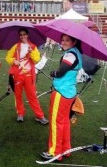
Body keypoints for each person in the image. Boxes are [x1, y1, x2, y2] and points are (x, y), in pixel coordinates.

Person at [40, 34, 82, 162]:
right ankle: (65, 149)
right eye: (62, 40)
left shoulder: (70, 54)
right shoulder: (75, 52)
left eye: (67, 40)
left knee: (56, 122)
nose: (63, 42)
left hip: (61, 92)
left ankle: (54, 152)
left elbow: (61, 71)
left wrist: (54, 73)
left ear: (74, 41)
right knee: (64, 122)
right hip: (69, 92)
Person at [6, 27, 48, 124]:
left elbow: (36, 59)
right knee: (18, 95)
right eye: (20, 35)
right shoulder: (16, 46)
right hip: (17, 75)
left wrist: (31, 52)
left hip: (29, 76)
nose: (22, 36)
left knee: (32, 96)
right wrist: (14, 61)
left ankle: (39, 116)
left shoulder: (33, 47)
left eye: (24, 34)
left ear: (28, 35)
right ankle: (20, 114)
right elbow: (8, 57)